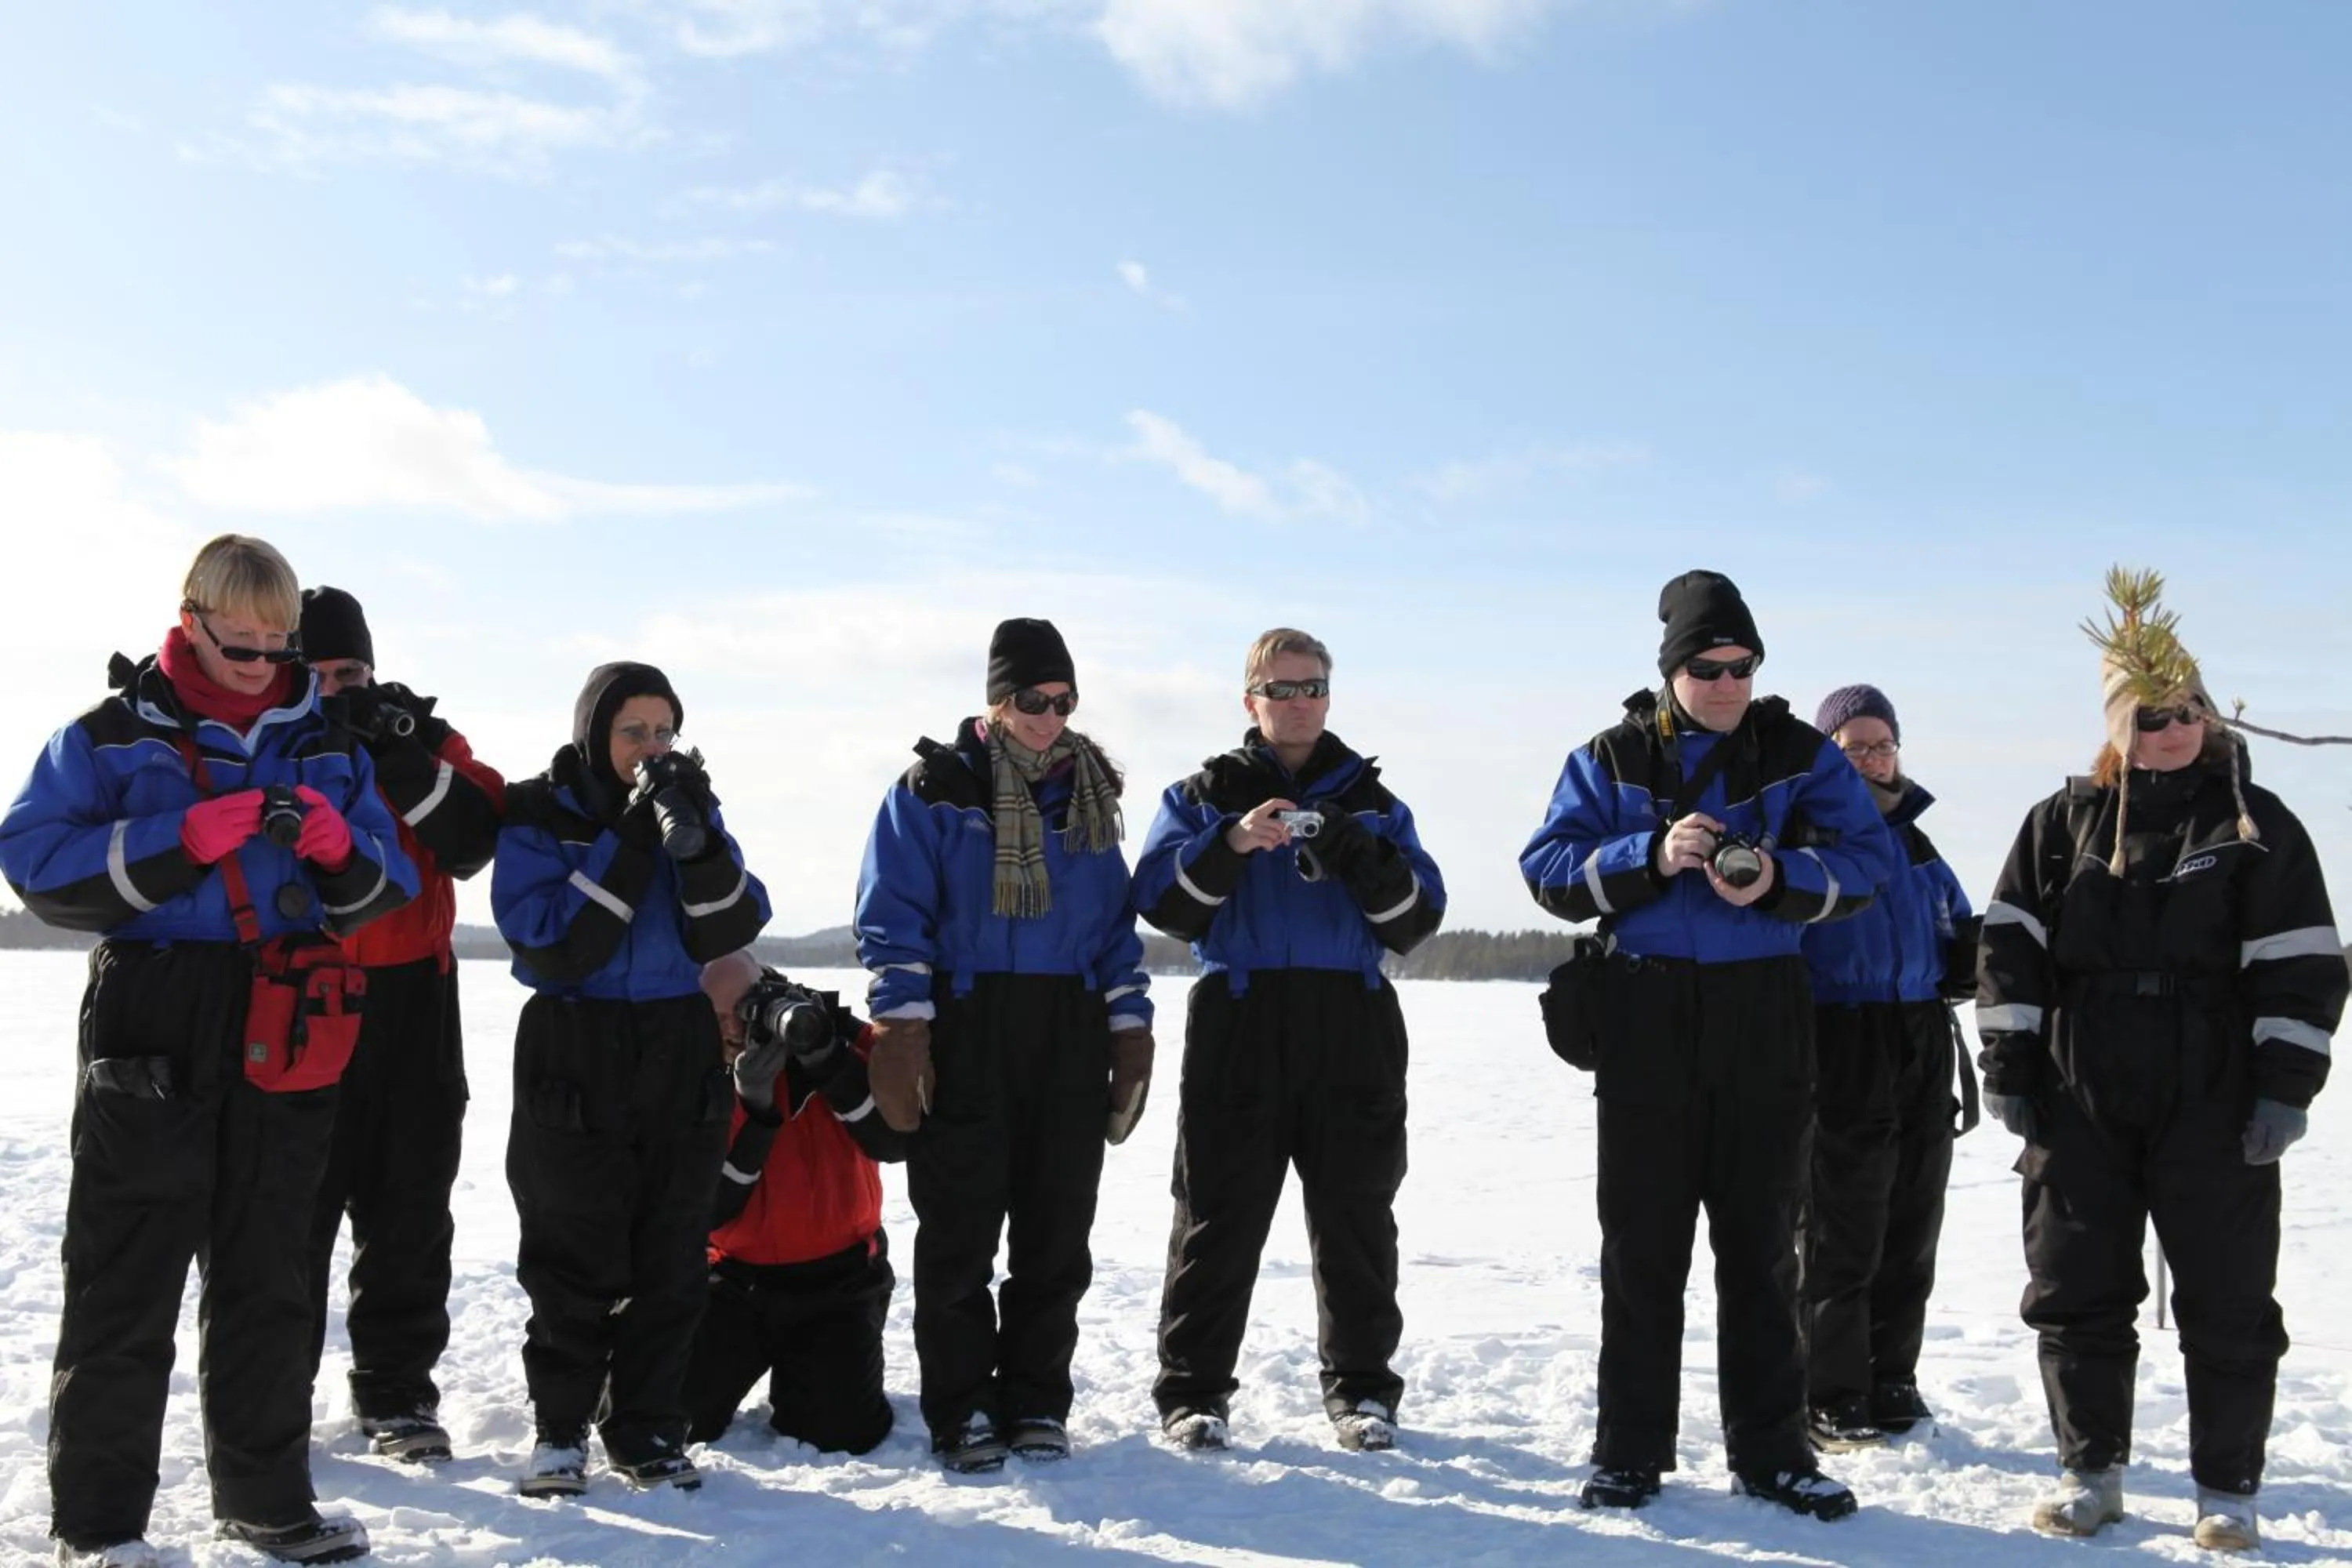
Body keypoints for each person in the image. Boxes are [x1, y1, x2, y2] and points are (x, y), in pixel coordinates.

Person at [0, 535, 416, 1566]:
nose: (264, 666)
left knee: (271, 1265)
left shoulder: (327, 744)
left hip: (287, 1008)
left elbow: (388, 883)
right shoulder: (107, 737)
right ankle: (99, 1526)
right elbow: (34, 862)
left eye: (280, 648)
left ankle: (266, 1499)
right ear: (191, 622)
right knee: (126, 1270)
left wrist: (338, 850)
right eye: (242, 647)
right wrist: (181, 838)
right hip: (156, 1009)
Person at [1519, 569, 1897, 1521]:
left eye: (1742, 664)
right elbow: (1547, 867)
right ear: (1672, 668)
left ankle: (1772, 1449)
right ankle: (1629, 1449)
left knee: (1764, 1243)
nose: (1726, 682)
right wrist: (1646, 855)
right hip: (1647, 1015)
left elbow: (1869, 863)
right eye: (1706, 665)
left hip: (1764, 1010)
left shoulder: (1802, 754)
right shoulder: (1610, 756)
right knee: (1642, 1244)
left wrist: (1773, 874)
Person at [1976, 608, 2344, 1552]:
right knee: (2079, 1283)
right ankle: (2089, 1472)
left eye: (2186, 710)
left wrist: (2283, 1088)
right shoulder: (2062, 822)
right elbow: (2010, 947)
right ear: (2115, 726)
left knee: (2227, 1297)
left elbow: (2302, 962)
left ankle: (2228, 1488)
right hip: (2081, 1079)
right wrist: (2013, 1064)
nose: (2171, 729)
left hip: (2212, 1082)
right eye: (2148, 716)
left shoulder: (2257, 826)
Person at [1131, 628, 1445, 1454]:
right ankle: (1194, 1391)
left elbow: (1418, 919)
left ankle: (1363, 1390)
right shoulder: (1203, 793)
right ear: (1251, 701)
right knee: (1217, 1212)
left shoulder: (1376, 802)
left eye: (1311, 687)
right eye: (1281, 689)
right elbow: (1161, 902)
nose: (1297, 702)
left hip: (1353, 1015)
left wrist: (1361, 854)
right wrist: (1232, 841)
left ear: (1329, 696)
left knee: (1357, 1214)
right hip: (1241, 1010)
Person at [854, 616, 1153, 1472]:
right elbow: (892, 917)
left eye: (1063, 700)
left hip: (1065, 1024)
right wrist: (904, 1030)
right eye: (1032, 698)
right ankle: (962, 1408)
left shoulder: (1089, 793)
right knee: (959, 1233)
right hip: (969, 1020)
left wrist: (1129, 1031)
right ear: (996, 697)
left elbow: (1111, 932)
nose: (1049, 715)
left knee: (1056, 1233)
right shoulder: (933, 789)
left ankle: (1034, 1401)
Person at [492, 662, 771, 1497]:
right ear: (595, 733)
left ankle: (650, 1425)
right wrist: (630, 837)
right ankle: (560, 1428)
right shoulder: (541, 811)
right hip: (574, 1040)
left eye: (663, 731)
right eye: (632, 732)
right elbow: (552, 944)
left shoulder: (694, 809)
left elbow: (730, 924)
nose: (650, 748)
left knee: (673, 1247)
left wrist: (696, 839)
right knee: (571, 1244)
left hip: (675, 1036)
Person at [296, 586, 506, 1465]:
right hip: (298, 993)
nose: (338, 688)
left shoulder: (421, 734)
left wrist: (400, 750)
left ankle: (397, 1392)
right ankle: (268, 1391)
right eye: (316, 674)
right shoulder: (267, 736)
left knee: (409, 1209)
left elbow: (476, 834)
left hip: (414, 999)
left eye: (350, 670)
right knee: (289, 1213)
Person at [1795, 684, 1976, 1451]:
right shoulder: (1807, 833)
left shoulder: (1918, 841)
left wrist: (1977, 955)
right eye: (1854, 747)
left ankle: (1892, 1374)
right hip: (1841, 1035)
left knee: (1912, 1217)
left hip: (1921, 1034)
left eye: (1881, 745)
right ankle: (1831, 1390)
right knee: (1845, 1223)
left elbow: (1956, 921)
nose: (1871, 758)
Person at [684, 951, 905, 1455]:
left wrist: (826, 1054)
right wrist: (754, 1107)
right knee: (671, 1416)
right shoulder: (689, 1070)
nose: (730, 1031)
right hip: (733, 1278)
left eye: (740, 1013)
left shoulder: (836, 1041)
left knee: (840, 1434)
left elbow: (893, 1141)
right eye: (713, 1018)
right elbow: (710, 1209)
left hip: (840, 1278)